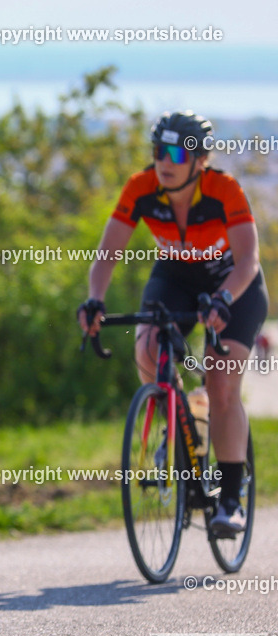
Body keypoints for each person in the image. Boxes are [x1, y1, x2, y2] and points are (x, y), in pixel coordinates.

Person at [78, 111, 268, 537]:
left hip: (233, 285)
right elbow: (107, 254)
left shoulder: (224, 190)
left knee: (221, 381)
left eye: (177, 153)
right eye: (159, 151)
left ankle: (230, 500)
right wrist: (95, 300)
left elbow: (248, 261)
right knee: (146, 348)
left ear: (200, 160)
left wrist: (222, 300)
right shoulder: (140, 188)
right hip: (177, 275)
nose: (165, 161)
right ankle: (177, 420)